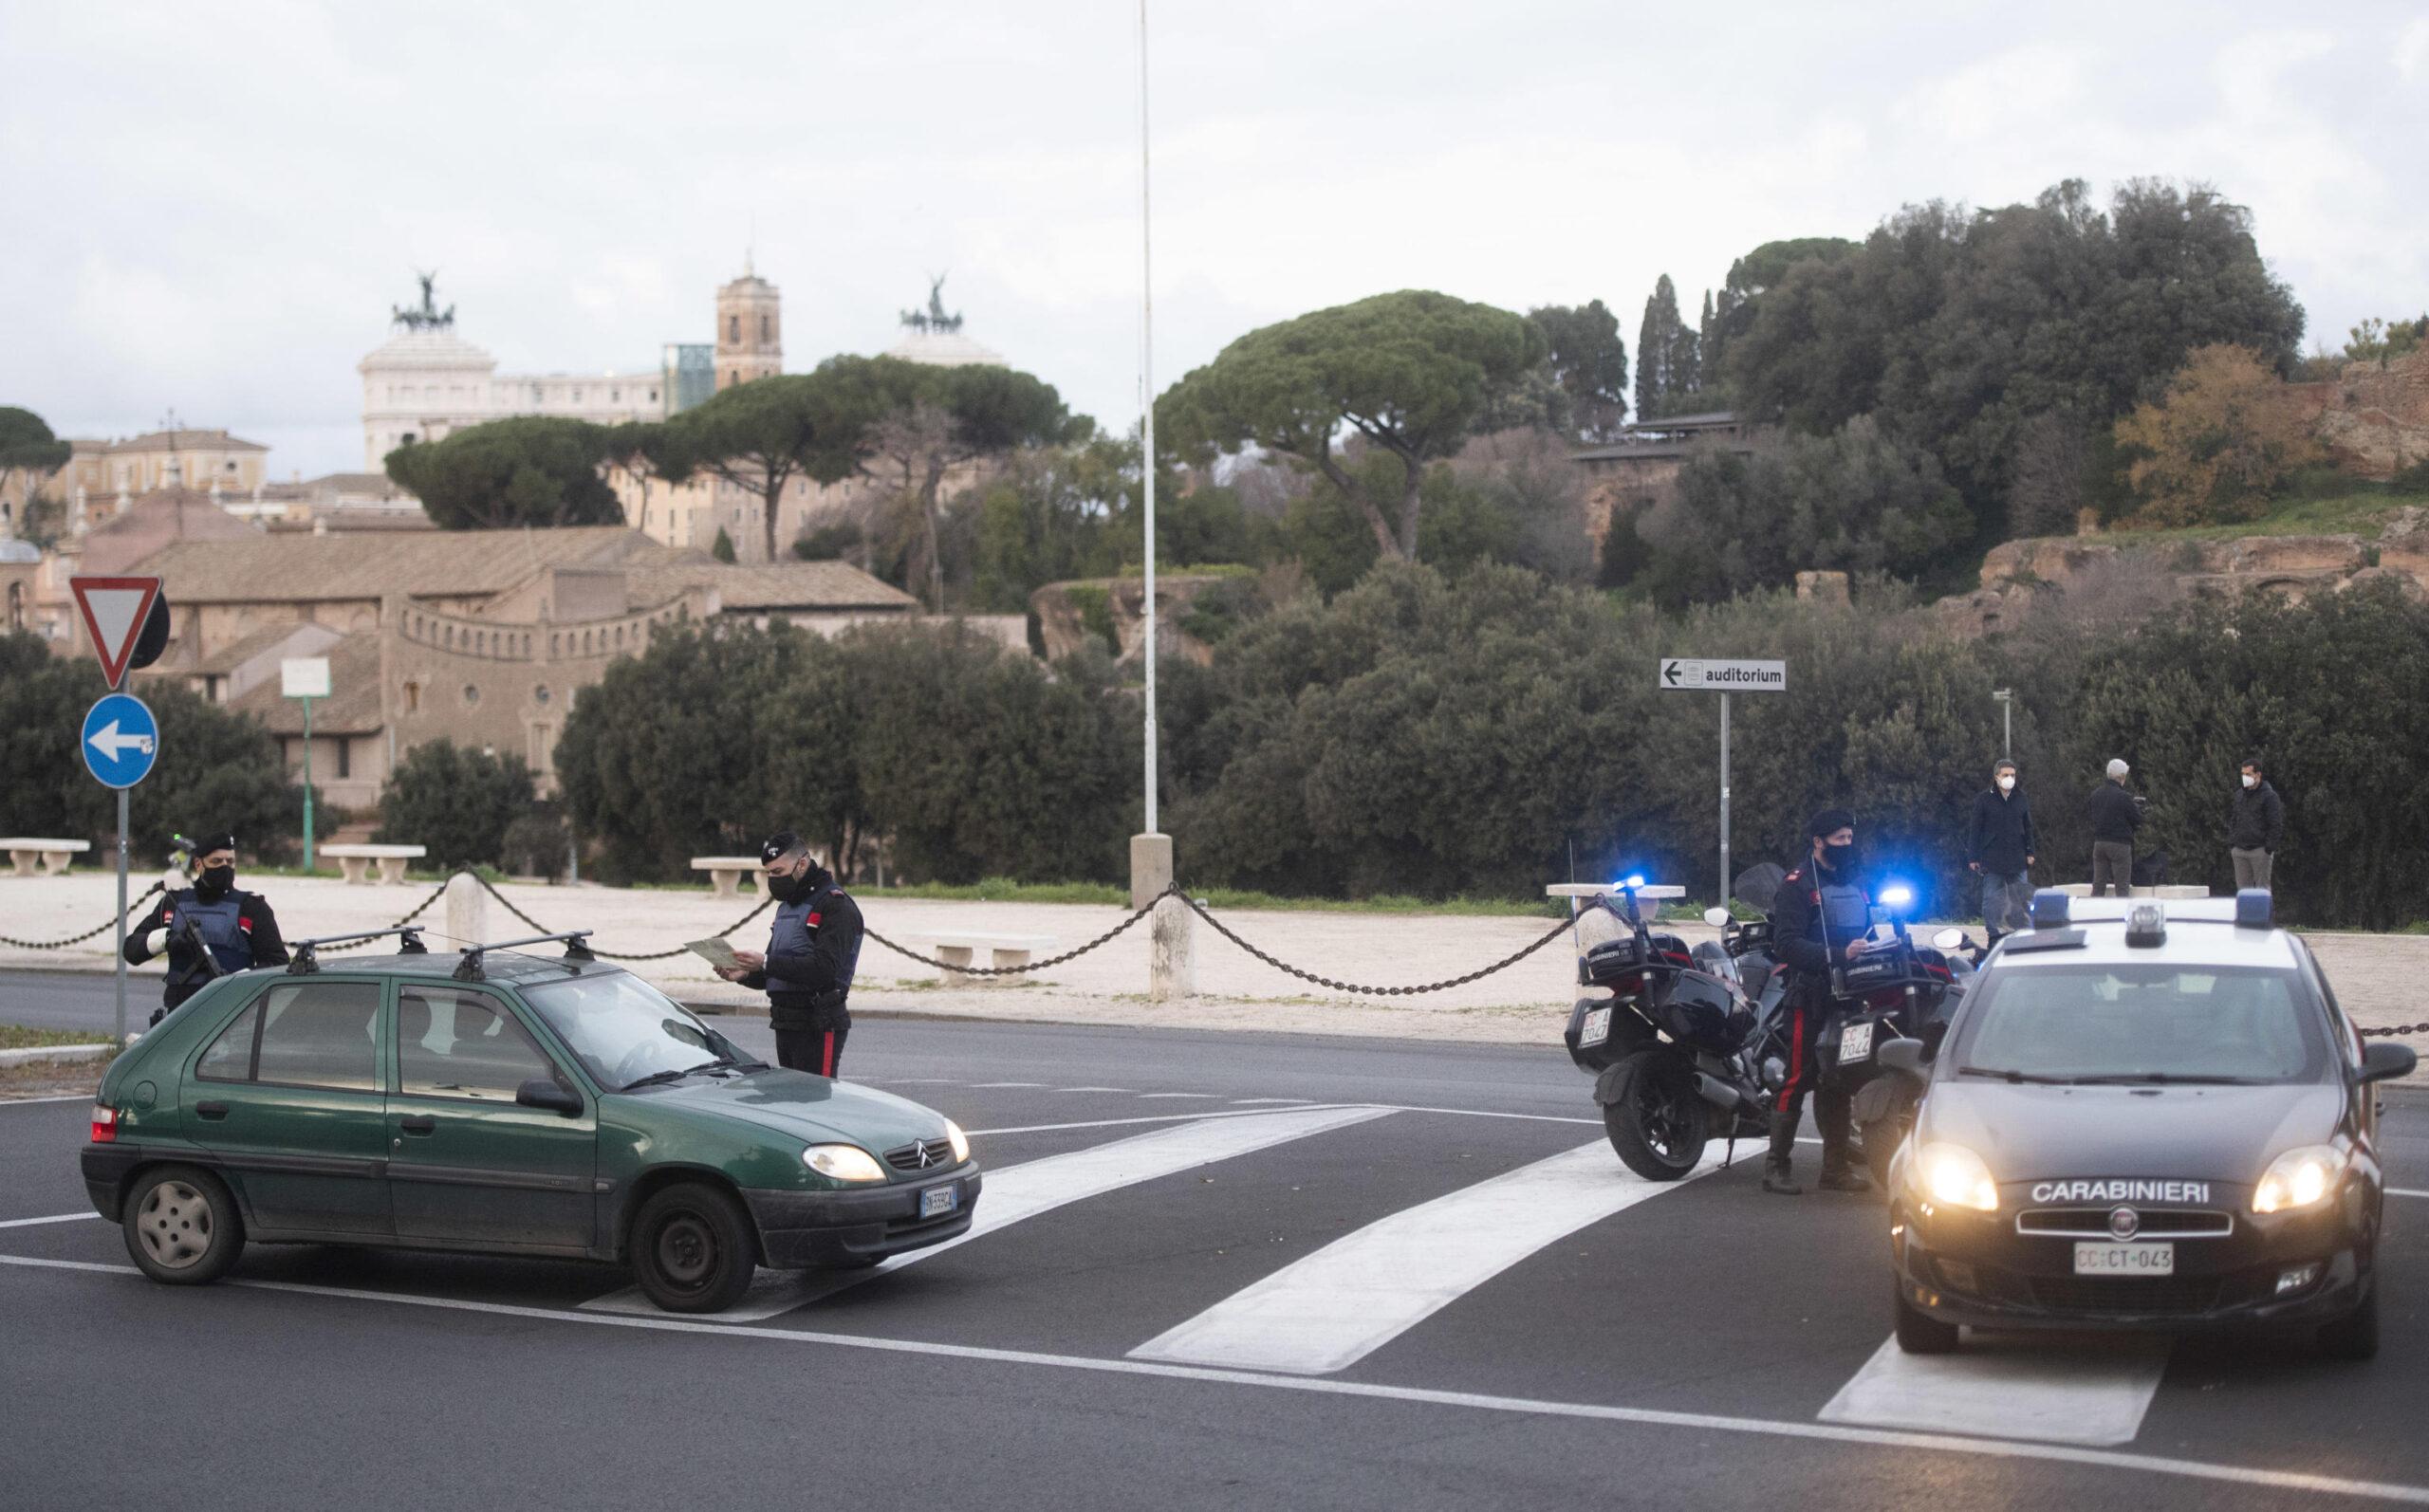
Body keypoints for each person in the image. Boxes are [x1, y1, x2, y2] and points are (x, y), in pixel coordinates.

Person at [1762, 808, 1873, 1197]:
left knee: (1838, 1082)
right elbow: (1786, 944)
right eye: (1840, 839)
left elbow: (1867, 925)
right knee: (1796, 1080)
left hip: (1849, 996)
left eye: (1850, 838)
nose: (1847, 845)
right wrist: (1838, 954)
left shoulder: (1855, 881)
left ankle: (1836, 1170)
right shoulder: (1797, 884)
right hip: (1808, 995)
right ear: (1818, 842)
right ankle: (1776, 1167)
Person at [718, 831, 862, 1077]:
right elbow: (774, 972)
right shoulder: (787, 907)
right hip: (785, 1022)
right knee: (792, 1107)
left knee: (816, 1104)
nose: (772, 879)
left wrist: (764, 962)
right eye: (769, 873)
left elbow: (824, 969)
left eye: (778, 872)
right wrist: (744, 974)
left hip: (819, 1022)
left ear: (802, 864)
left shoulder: (835, 905)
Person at [121, 832, 287, 1026]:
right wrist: (166, 939)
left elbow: (278, 963)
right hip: (180, 1015)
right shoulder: (173, 904)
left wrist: (240, 978)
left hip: (233, 1016)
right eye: (217, 861)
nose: (225, 867)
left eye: (230, 862)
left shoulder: (252, 908)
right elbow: (131, 950)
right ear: (199, 865)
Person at [1967, 759, 2037, 947]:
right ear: (1997, 776)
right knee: (1990, 898)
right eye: (2006, 775)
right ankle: (1993, 934)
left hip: (2017, 858)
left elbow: (2028, 827)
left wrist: (2030, 851)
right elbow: (1976, 829)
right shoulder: (1984, 799)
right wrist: (1973, 857)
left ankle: (2021, 933)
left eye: (2012, 775)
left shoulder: (2021, 797)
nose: (2010, 778)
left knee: (2021, 897)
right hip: (1992, 858)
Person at [2086, 759, 2142, 898]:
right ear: (2121, 777)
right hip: (2119, 845)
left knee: (2098, 886)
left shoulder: (2095, 794)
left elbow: (2092, 817)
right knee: (2122, 888)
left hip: (2099, 844)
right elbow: (2137, 820)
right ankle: (2120, 915)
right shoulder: (2124, 797)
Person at [2229, 756, 2286, 892]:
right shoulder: (2239, 795)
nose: (2244, 777)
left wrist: (2268, 848)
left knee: (2262, 891)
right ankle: (2246, 914)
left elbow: (2275, 824)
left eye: (2248, 774)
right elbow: (2233, 818)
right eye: (2243, 774)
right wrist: (2233, 842)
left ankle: (2264, 914)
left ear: (2258, 774)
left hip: (2260, 850)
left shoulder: (2269, 796)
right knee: (2243, 893)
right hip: (2240, 850)